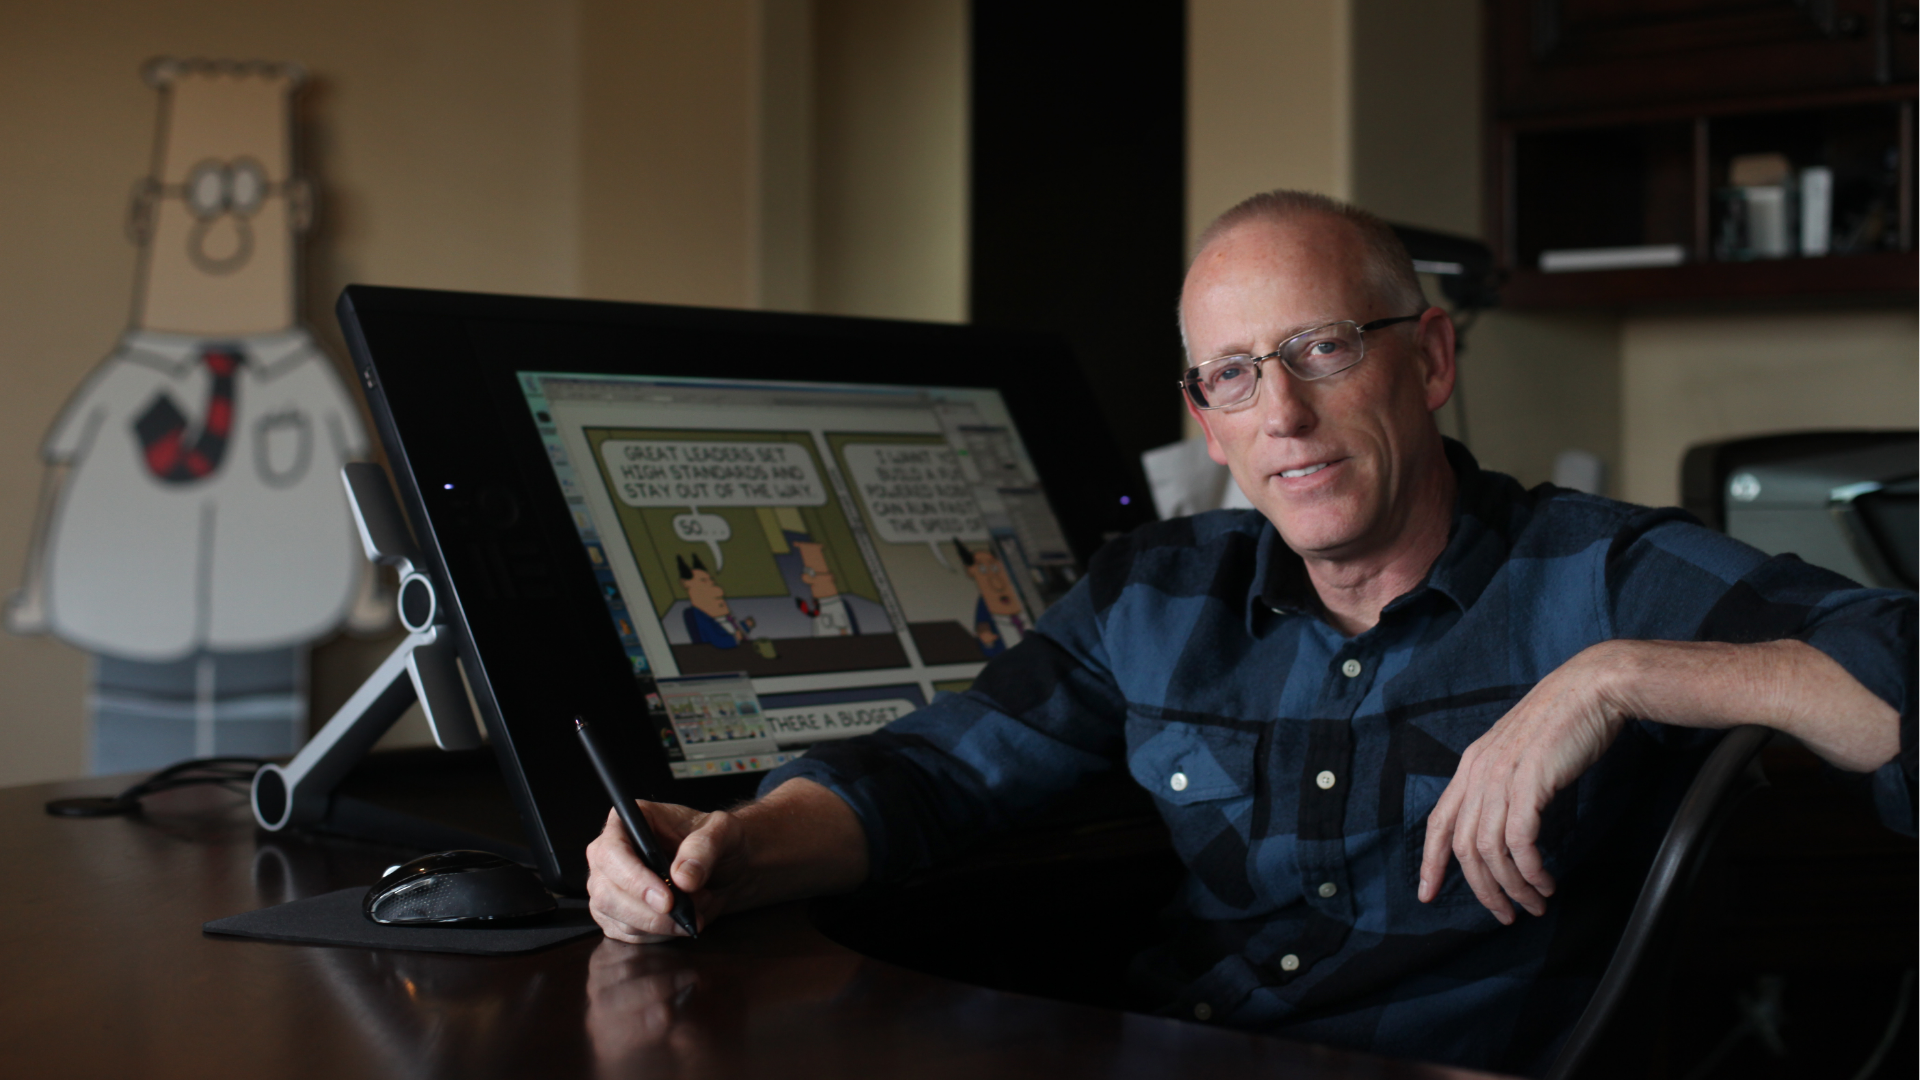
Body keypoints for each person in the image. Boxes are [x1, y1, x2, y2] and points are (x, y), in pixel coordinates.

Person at [586, 191, 1914, 1074]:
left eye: (1325, 349)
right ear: (1205, 422)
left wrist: (1618, 676)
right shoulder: (1156, 593)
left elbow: (1900, 670)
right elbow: (933, 775)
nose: (1281, 412)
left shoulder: (1599, 574)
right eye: (1233, 374)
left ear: (1433, 362)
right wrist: (735, 853)